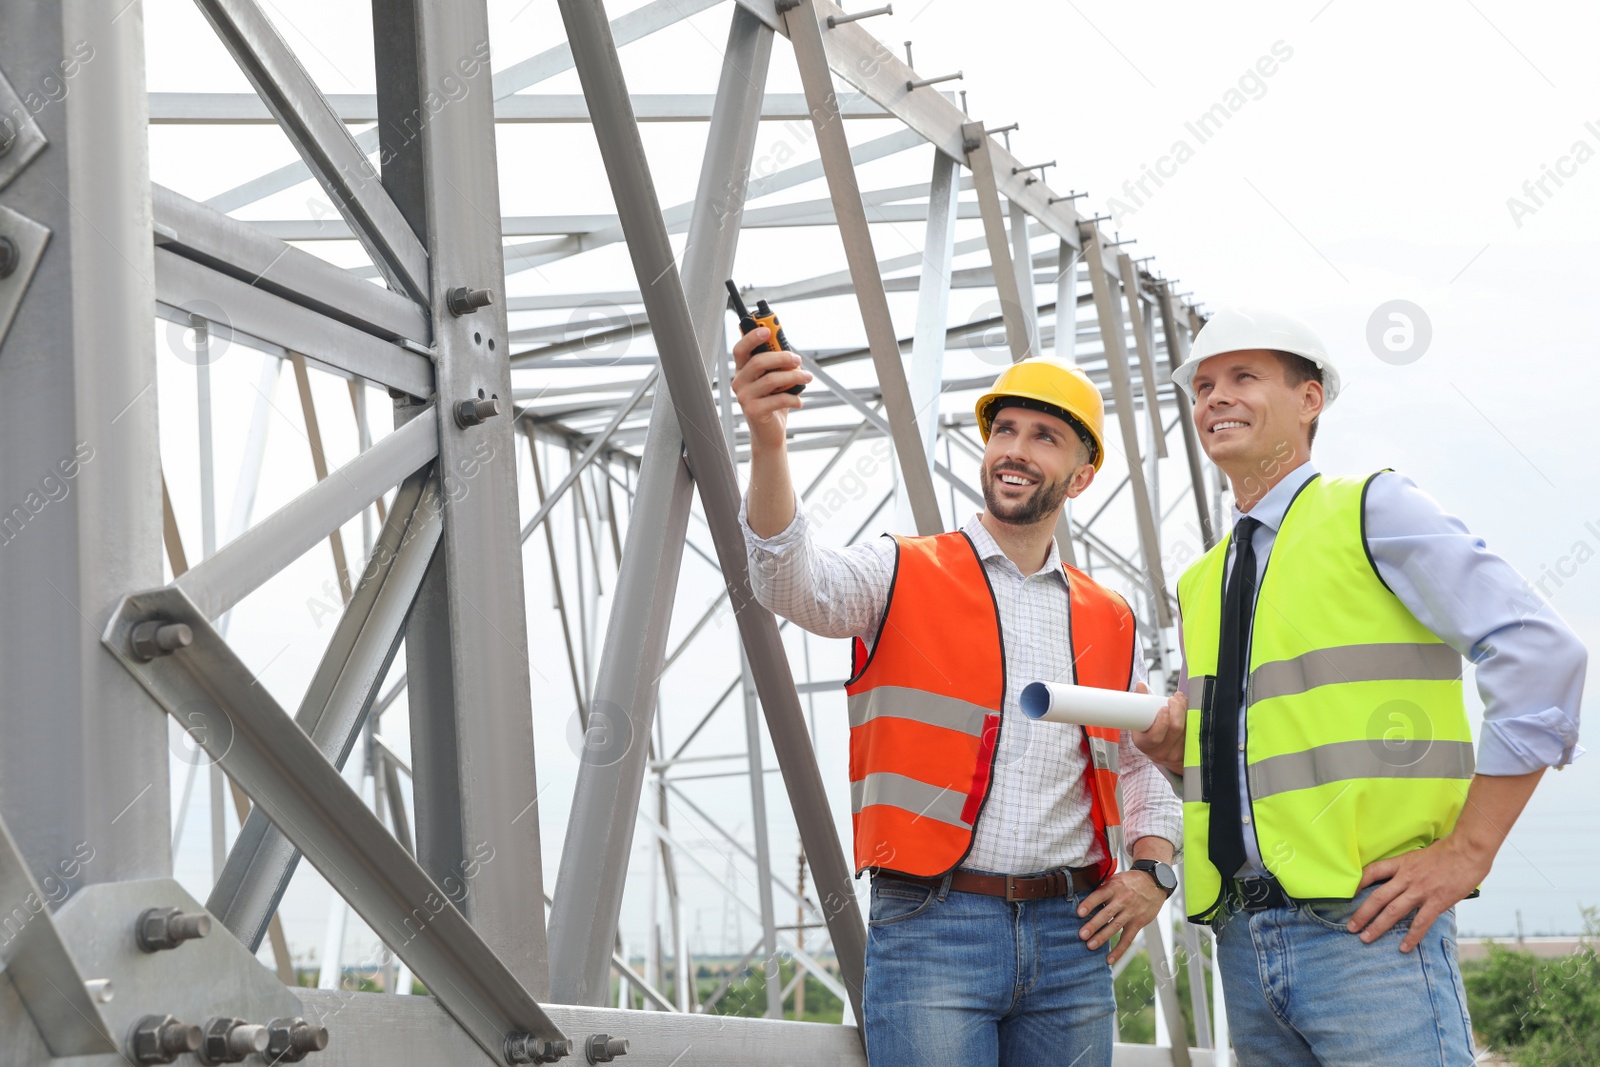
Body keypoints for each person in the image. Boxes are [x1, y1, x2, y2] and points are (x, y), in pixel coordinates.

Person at [1133, 307, 1587, 1066]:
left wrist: (1469, 849)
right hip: (1245, 941)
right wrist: (1173, 759)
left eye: (1244, 377)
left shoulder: (1372, 509)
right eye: (1204, 384)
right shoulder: (1203, 578)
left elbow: (1541, 652)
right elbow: (1270, 770)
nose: (1215, 397)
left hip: (1367, 934)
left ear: (1310, 400)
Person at [732, 330, 1183, 1067]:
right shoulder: (903, 570)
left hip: (1073, 936)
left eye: (1044, 436)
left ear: (1080, 477)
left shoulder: (1110, 617)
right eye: (1004, 429)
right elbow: (791, 584)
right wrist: (768, 439)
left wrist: (1154, 872)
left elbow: (1141, 763)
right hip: (934, 924)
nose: (1015, 448)